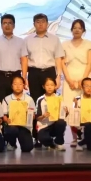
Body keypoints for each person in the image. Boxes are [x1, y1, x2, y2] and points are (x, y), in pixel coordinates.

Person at [25, 13, 64, 146]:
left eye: (43, 22)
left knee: (52, 103)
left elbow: (58, 58)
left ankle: (53, 134)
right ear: (34, 24)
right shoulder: (27, 39)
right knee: (36, 103)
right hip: (34, 72)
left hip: (49, 71)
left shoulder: (54, 39)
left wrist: (58, 76)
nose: (40, 24)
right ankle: (37, 137)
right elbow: (24, 59)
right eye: (38, 22)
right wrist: (24, 77)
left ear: (47, 24)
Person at [62, 19, 91, 147]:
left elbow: (90, 63)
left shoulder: (89, 44)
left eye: (79, 28)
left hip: (84, 78)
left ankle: (85, 137)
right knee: (71, 109)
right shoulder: (64, 44)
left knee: (85, 108)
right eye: (74, 27)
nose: (77, 30)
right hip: (69, 79)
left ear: (83, 30)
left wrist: (83, 80)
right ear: (71, 30)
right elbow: (62, 64)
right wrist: (69, 80)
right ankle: (74, 137)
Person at [0, 14, 28, 102]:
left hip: (16, 76)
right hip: (0, 76)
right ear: (1, 26)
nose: (7, 25)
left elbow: (24, 60)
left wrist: (24, 78)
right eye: (4, 23)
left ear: (14, 26)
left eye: (10, 23)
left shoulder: (21, 41)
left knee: (15, 102)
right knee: (0, 102)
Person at [2, 75, 35, 153]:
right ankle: (12, 143)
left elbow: (33, 115)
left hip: (24, 126)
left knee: (28, 148)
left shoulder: (29, 99)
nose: (18, 86)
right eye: (15, 84)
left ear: (23, 85)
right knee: (12, 129)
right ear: (11, 86)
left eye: (20, 84)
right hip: (12, 125)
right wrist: (6, 120)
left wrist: (30, 116)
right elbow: (4, 115)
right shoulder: (6, 99)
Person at [35, 77, 68, 151]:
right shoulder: (40, 99)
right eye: (47, 85)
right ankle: (51, 143)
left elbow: (62, 115)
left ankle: (59, 142)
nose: (49, 87)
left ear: (55, 86)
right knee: (43, 138)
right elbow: (37, 117)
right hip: (44, 126)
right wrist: (43, 116)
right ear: (43, 86)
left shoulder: (59, 98)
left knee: (62, 122)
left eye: (52, 85)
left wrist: (66, 112)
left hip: (55, 124)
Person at [74, 78, 91, 152]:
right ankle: (82, 140)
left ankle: (82, 142)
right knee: (89, 125)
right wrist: (76, 105)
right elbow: (74, 117)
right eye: (86, 86)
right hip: (81, 125)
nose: (89, 88)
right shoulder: (77, 99)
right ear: (82, 87)